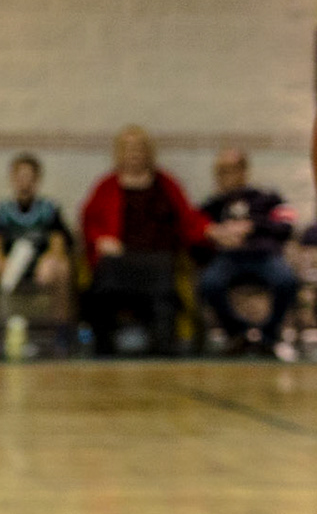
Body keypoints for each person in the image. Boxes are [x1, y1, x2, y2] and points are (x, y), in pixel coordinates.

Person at [79, 126, 229, 354]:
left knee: (166, 292)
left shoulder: (166, 184)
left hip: (159, 262)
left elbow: (187, 219)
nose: (135, 154)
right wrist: (101, 240)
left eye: (139, 148)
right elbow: (89, 222)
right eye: (129, 149)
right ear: (120, 153)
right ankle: (103, 350)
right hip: (120, 261)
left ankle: (164, 351)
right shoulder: (106, 186)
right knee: (102, 289)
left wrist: (211, 231)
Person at [197, 148, 300, 354]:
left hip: (265, 255)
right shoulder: (213, 205)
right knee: (209, 285)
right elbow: (196, 231)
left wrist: (252, 225)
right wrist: (217, 233)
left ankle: (268, 334)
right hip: (229, 258)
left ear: (244, 171)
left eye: (231, 170)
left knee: (287, 281)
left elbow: (287, 224)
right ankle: (238, 333)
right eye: (221, 171)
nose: (226, 176)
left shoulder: (267, 197)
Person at [0, 152, 73, 348]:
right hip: (12, 264)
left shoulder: (49, 208)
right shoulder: (2, 209)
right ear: (13, 179)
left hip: (40, 265)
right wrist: (1, 265)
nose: (25, 182)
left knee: (63, 268)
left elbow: (58, 243)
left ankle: (61, 329)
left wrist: (48, 260)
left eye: (29, 177)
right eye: (20, 177)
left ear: (37, 179)